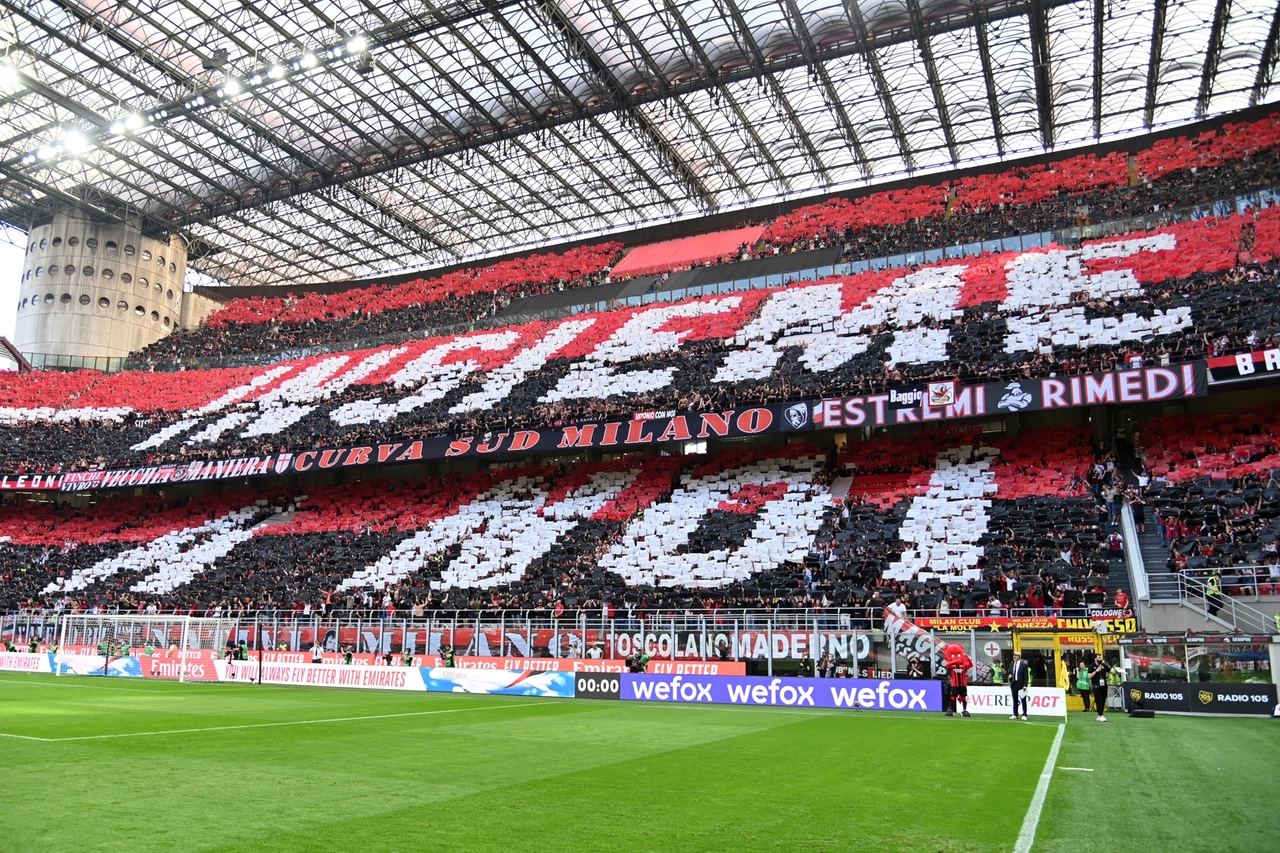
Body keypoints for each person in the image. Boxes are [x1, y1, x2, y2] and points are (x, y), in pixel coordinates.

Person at [1090, 656, 1112, 722]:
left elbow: (1111, 671)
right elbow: (1089, 676)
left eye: (1101, 657)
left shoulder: (1104, 665)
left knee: (1103, 700)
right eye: (1099, 657)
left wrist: (1117, 670)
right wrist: (1096, 671)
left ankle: (1099, 715)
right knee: (1098, 700)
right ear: (1095, 658)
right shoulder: (1091, 666)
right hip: (1096, 686)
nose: (1100, 659)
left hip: (1104, 685)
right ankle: (1101, 715)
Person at [1008, 652, 1029, 721]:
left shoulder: (1023, 665)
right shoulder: (1011, 664)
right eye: (1014, 655)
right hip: (1014, 683)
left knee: (1023, 699)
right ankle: (1015, 714)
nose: (1015, 657)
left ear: (1019, 657)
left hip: (1021, 684)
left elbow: (1026, 676)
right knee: (1015, 700)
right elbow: (1010, 673)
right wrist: (1010, 676)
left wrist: (1025, 685)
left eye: (1016, 655)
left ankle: (1024, 714)